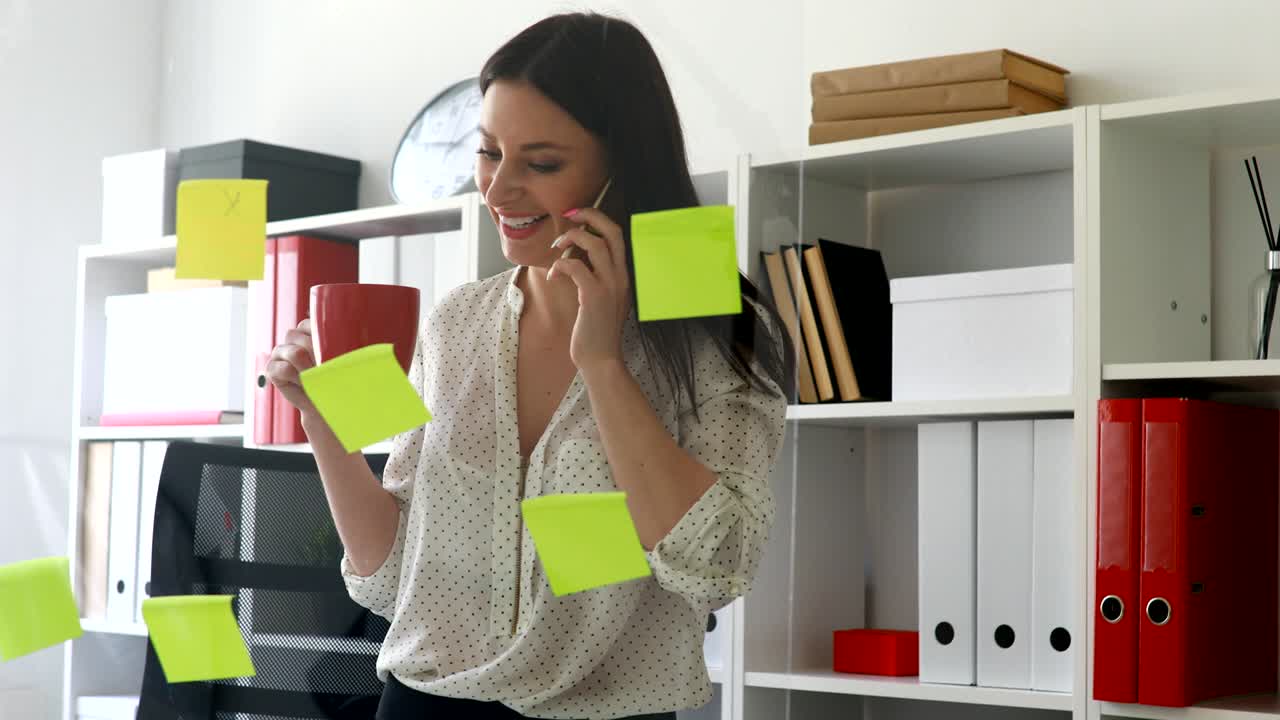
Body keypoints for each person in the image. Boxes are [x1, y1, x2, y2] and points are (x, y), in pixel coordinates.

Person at [266, 11, 794, 720]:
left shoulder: (714, 333)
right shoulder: (458, 322)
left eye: (540, 164)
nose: (497, 189)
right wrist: (322, 423)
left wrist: (602, 363)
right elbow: (390, 579)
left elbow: (715, 566)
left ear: (624, 166)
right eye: (489, 153)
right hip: (424, 704)